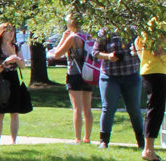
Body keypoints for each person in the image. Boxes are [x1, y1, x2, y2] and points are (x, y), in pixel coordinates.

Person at [48, 14, 96, 144]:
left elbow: (57, 54)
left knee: (77, 108)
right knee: (87, 107)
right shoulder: (88, 36)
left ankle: (78, 138)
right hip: (88, 73)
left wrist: (64, 38)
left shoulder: (73, 38)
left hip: (75, 74)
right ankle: (87, 137)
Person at [94, 27, 143, 150]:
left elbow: (143, 50)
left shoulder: (134, 31)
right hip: (110, 77)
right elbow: (95, 52)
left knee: (134, 109)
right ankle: (104, 141)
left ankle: (142, 142)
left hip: (131, 76)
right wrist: (109, 56)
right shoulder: (105, 31)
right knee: (108, 108)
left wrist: (136, 51)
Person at [0, 23, 33, 145]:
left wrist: (18, 60)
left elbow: (23, 66)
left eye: (13, 31)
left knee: (14, 112)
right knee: (0, 114)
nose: (11, 34)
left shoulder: (16, 47)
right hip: (1, 81)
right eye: (8, 31)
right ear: (2, 33)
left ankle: (14, 142)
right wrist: (5, 63)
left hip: (14, 81)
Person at [137, 31, 166, 161]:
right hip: (156, 70)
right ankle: (148, 150)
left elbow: (137, 42)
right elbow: (157, 50)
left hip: (151, 70)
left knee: (154, 109)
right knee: (155, 110)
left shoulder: (147, 26)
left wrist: (144, 60)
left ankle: (148, 148)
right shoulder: (158, 26)